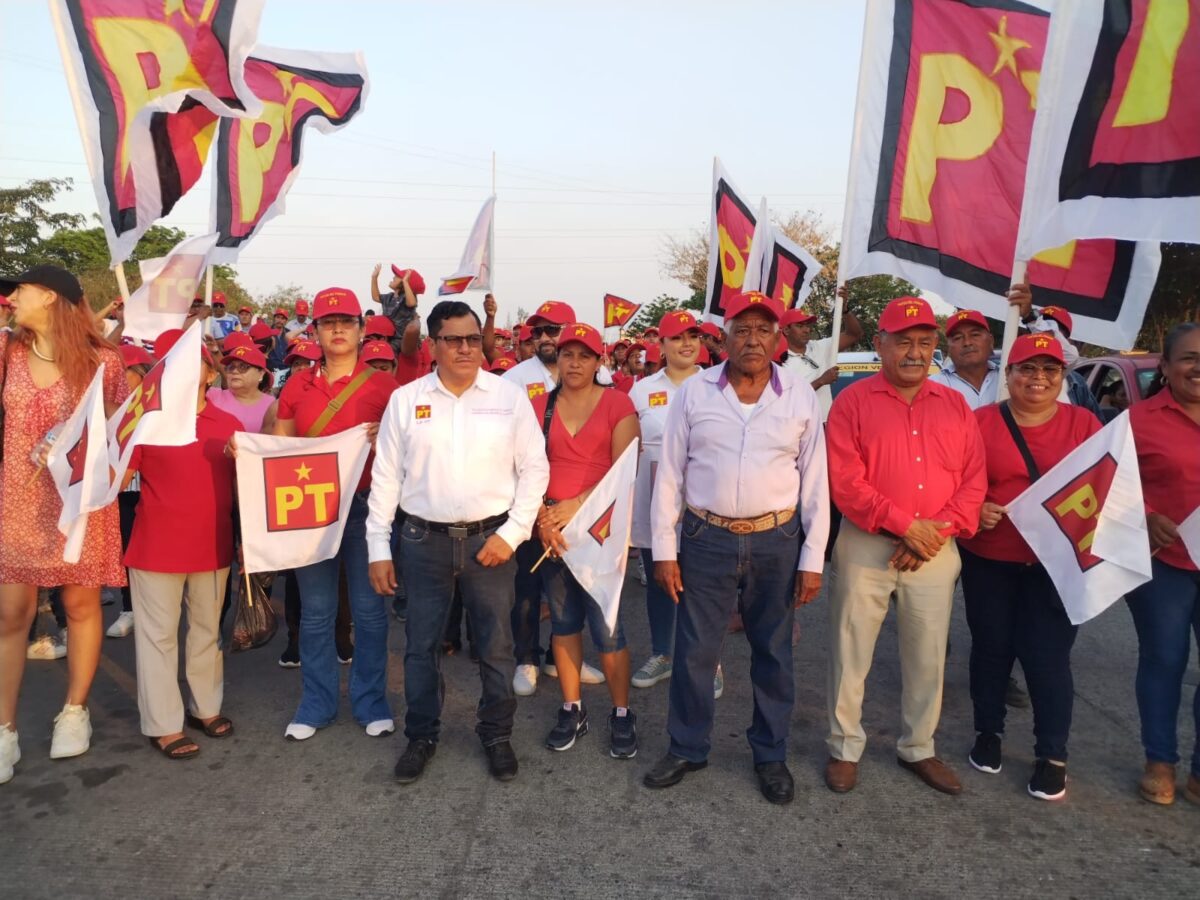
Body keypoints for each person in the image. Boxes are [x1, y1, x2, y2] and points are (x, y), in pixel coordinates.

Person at [642, 292, 829, 804]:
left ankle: (770, 753)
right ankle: (687, 746)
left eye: (763, 330)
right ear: (723, 338)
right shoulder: (695, 392)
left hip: (777, 540)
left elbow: (815, 481)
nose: (752, 339)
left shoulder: (799, 395)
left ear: (778, 338)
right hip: (706, 538)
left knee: (773, 651)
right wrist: (664, 551)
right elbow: (670, 475)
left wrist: (813, 558)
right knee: (695, 651)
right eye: (742, 329)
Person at [366, 299, 549, 783]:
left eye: (472, 339)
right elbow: (386, 478)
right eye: (454, 340)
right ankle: (422, 736)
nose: (466, 348)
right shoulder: (406, 400)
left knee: (496, 646)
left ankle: (497, 734)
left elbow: (535, 469)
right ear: (433, 345)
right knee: (421, 646)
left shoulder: (508, 397)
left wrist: (513, 534)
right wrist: (378, 547)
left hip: (492, 541)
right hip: (423, 541)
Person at [824, 296, 986, 796]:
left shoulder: (955, 405)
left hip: (935, 548)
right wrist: (904, 526)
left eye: (925, 341)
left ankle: (918, 747)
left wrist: (930, 533)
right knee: (850, 651)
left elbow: (974, 481)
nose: (915, 352)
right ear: (880, 344)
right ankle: (844, 746)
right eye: (903, 342)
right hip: (866, 543)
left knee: (927, 654)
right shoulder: (852, 401)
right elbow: (845, 482)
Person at [0, 265, 129, 782]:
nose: (10, 299)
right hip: (18, 498)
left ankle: (75, 710)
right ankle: (5, 729)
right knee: (11, 613)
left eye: (19, 290)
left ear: (51, 297)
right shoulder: (7, 353)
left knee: (79, 604)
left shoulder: (104, 361)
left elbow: (118, 429)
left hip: (78, 500)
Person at [959, 334, 1101, 801]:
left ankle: (1052, 754)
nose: (1038, 378)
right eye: (1027, 368)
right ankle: (988, 733)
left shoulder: (1084, 424)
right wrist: (975, 506)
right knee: (991, 648)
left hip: (1055, 564)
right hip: (989, 557)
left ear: (1062, 377)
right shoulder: (980, 421)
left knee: (1048, 658)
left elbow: (1106, 484)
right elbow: (957, 479)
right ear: (1009, 374)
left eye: (1049, 369)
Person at [269, 287, 397, 742]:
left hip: (367, 510)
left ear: (362, 330)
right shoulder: (296, 386)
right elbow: (279, 448)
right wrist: (246, 451)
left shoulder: (385, 387)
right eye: (328, 322)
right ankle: (316, 703)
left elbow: (411, 449)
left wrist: (389, 437)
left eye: (346, 321)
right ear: (316, 331)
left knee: (370, 611)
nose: (338, 329)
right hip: (311, 510)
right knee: (317, 612)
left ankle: (371, 701)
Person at [123, 329, 240, 759]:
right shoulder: (145, 422)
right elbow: (116, 478)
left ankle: (205, 707)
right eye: (170, 363)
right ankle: (163, 724)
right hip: (156, 547)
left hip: (213, 545)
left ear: (210, 373)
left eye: (193, 363)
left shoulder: (228, 425)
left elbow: (248, 487)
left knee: (207, 632)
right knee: (158, 638)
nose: (183, 371)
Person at [533, 323, 641, 758]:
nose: (574, 363)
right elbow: (526, 467)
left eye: (584, 355)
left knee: (608, 629)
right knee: (563, 623)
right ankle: (572, 707)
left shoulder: (618, 403)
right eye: (567, 354)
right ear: (557, 359)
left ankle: (621, 712)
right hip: (553, 532)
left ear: (599, 361)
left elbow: (625, 469)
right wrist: (543, 518)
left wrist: (576, 505)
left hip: (600, 532)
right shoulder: (540, 406)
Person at [505, 302, 606, 694]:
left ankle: (559, 657)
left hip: (579, 508)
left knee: (573, 587)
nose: (545, 337)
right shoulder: (514, 380)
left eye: (553, 330)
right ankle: (526, 659)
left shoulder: (598, 376)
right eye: (538, 331)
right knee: (528, 587)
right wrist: (536, 510)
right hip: (532, 506)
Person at [1126, 322, 1200, 807]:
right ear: (1167, 366)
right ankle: (1160, 761)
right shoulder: (1138, 421)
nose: (1198, 367)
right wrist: (1147, 515)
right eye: (1189, 357)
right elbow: (1106, 486)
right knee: (1165, 659)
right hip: (1162, 562)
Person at [628, 311, 706, 692]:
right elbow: (629, 447)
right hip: (653, 504)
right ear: (661, 345)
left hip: (703, 507)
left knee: (703, 586)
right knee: (660, 581)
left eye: (693, 336)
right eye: (677, 337)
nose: (686, 344)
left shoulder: (716, 384)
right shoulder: (641, 391)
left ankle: (708, 660)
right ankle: (662, 653)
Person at [107, 343, 156, 641]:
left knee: (154, 549)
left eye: (122, 371)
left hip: (152, 487)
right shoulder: (104, 404)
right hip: (121, 490)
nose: (117, 378)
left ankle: (154, 606)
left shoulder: (156, 405)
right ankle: (129, 608)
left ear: (141, 372)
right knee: (125, 547)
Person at [778, 288, 864, 420]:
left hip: (824, 424)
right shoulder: (778, 362)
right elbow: (788, 398)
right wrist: (821, 381)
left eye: (808, 325)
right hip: (796, 426)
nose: (806, 330)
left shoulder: (819, 347)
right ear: (786, 330)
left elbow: (854, 334)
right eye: (800, 326)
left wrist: (845, 310)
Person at [930, 309, 998, 410]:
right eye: (958, 338)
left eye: (975, 335)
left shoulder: (1008, 380)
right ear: (949, 347)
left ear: (991, 341)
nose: (967, 343)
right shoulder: (933, 387)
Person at [208, 344, 277, 434]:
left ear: (261, 374)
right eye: (231, 367)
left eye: (243, 367)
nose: (235, 371)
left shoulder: (273, 406)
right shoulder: (211, 395)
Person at [371, 264, 422, 340]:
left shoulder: (405, 298)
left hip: (401, 341)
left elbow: (411, 303)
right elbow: (376, 297)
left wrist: (405, 282)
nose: (394, 277)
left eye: (397, 276)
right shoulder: (389, 297)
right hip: (387, 338)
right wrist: (374, 277)